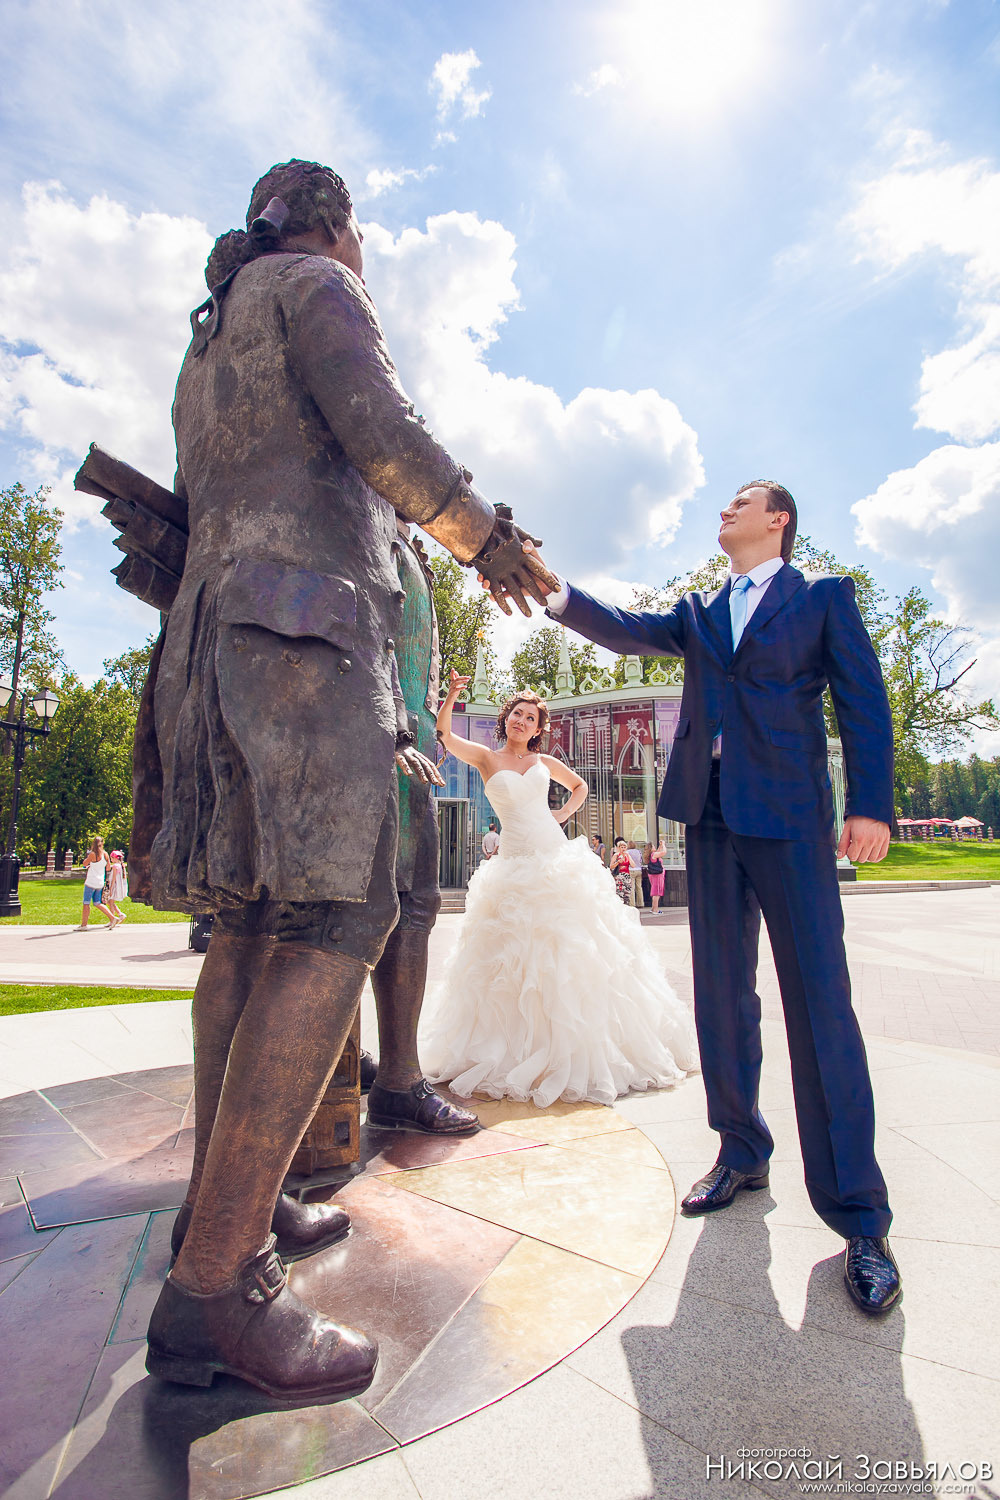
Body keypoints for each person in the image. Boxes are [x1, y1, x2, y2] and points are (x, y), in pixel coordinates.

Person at [138, 159, 557, 1404]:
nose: (361, 250)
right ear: (334, 224)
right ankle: (218, 1287)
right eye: (359, 230)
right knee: (334, 918)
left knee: (253, 930)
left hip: (213, 647)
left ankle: (235, 1213)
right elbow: (379, 429)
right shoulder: (315, 284)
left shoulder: (204, 345)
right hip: (305, 644)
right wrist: (487, 536)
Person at [540, 479, 901, 1314]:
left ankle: (860, 1218)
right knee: (721, 999)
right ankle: (740, 1148)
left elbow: (863, 701)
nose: (725, 510)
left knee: (820, 1004)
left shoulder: (823, 598)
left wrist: (873, 804)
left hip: (790, 820)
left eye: (742, 501)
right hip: (707, 819)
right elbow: (626, 633)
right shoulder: (699, 608)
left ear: (779, 519)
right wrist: (552, 592)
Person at [422, 671, 698, 1107]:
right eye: (517, 714)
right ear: (506, 719)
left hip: (556, 862)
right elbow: (444, 735)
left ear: (537, 728)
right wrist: (453, 695)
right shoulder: (487, 759)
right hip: (511, 868)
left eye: (530, 718)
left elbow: (581, 786)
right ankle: (515, 1049)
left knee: (573, 955)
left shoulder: (543, 763)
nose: (521, 722)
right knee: (510, 963)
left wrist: (561, 816)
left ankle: (578, 1048)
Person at [78, 837, 116, 930]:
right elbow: (108, 868)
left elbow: (84, 863)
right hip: (100, 882)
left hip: (91, 881)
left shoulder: (92, 854)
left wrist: (90, 865)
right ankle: (113, 918)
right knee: (97, 903)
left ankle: (84, 925)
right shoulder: (105, 854)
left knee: (86, 903)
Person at [104, 849, 128, 926]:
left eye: (111, 858)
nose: (111, 860)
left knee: (110, 902)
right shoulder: (121, 865)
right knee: (110, 902)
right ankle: (120, 914)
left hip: (114, 886)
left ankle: (112, 919)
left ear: (114, 858)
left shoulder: (115, 866)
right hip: (118, 887)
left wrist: (110, 888)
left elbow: (113, 878)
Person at [646, 837, 668, 914]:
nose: (655, 847)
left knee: (655, 891)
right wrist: (664, 845)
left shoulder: (652, 855)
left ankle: (653, 908)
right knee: (656, 892)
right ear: (651, 848)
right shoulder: (654, 854)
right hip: (657, 875)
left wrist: (660, 846)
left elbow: (659, 851)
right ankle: (655, 909)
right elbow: (664, 852)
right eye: (653, 846)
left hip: (653, 875)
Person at [609, 838, 633, 905]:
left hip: (627, 876)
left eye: (624, 847)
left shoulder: (627, 855)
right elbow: (611, 866)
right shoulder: (616, 855)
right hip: (619, 876)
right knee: (620, 893)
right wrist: (618, 862)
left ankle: (626, 906)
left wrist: (628, 856)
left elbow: (633, 865)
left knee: (627, 893)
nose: (623, 848)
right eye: (621, 847)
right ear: (618, 848)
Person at [626, 840, 644, 907]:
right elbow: (641, 860)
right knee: (639, 887)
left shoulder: (627, 852)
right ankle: (640, 903)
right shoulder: (638, 851)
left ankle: (632, 903)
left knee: (632, 887)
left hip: (631, 870)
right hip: (639, 870)